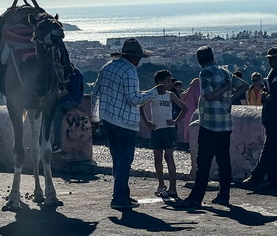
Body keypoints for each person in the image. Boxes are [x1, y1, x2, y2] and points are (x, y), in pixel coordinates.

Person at [90, 38, 162, 210]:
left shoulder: (107, 66)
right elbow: (133, 99)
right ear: (134, 57)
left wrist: (94, 117)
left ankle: (123, 194)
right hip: (125, 122)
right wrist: (154, 92)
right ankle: (119, 198)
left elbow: (95, 92)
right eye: (139, 58)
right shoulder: (129, 71)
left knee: (117, 159)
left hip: (107, 119)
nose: (140, 61)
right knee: (125, 160)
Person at [176, 46, 233, 208]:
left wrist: (222, 90)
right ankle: (224, 195)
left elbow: (208, 96)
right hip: (226, 123)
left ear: (200, 61)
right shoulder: (225, 72)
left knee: (204, 161)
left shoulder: (205, 73)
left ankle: (196, 197)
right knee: (224, 161)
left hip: (209, 123)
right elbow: (242, 85)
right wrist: (228, 101)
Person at [242, 47, 277, 191]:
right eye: (270, 59)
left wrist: (273, 97)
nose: (271, 61)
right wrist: (265, 97)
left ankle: (256, 177)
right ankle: (273, 181)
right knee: (274, 150)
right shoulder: (273, 74)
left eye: (274, 58)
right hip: (271, 117)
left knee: (269, 149)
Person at [140, 70, 188, 199]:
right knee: (157, 159)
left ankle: (173, 188)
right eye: (168, 80)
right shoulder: (153, 94)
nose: (170, 82)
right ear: (160, 82)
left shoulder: (170, 95)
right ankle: (161, 185)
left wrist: (175, 121)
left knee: (169, 158)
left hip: (168, 129)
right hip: (156, 130)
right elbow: (141, 107)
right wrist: (148, 123)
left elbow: (185, 108)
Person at [52, 66, 84, 153]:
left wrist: (61, 96)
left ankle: (57, 144)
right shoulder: (62, 72)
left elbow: (74, 93)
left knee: (58, 113)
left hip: (73, 100)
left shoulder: (74, 74)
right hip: (64, 99)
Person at [179, 77, 200, 144]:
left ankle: (186, 141)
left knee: (186, 126)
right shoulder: (198, 90)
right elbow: (198, 99)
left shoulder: (188, 92)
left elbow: (181, 96)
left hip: (187, 111)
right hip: (194, 111)